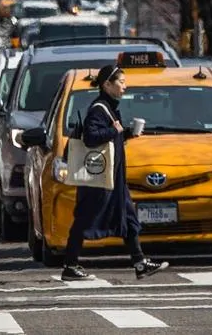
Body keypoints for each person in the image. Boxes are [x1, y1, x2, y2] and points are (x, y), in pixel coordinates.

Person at [61, 63, 168, 281]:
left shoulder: (108, 107)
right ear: (107, 84)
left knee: (129, 218)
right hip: (99, 179)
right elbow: (91, 137)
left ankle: (140, 263)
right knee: (84, 219)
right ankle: (70, 266)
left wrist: (126, 133)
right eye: (121, 82)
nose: (124, 87)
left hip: (113, 178)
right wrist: (115, 130)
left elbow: (109, 137)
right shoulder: (99, 109)